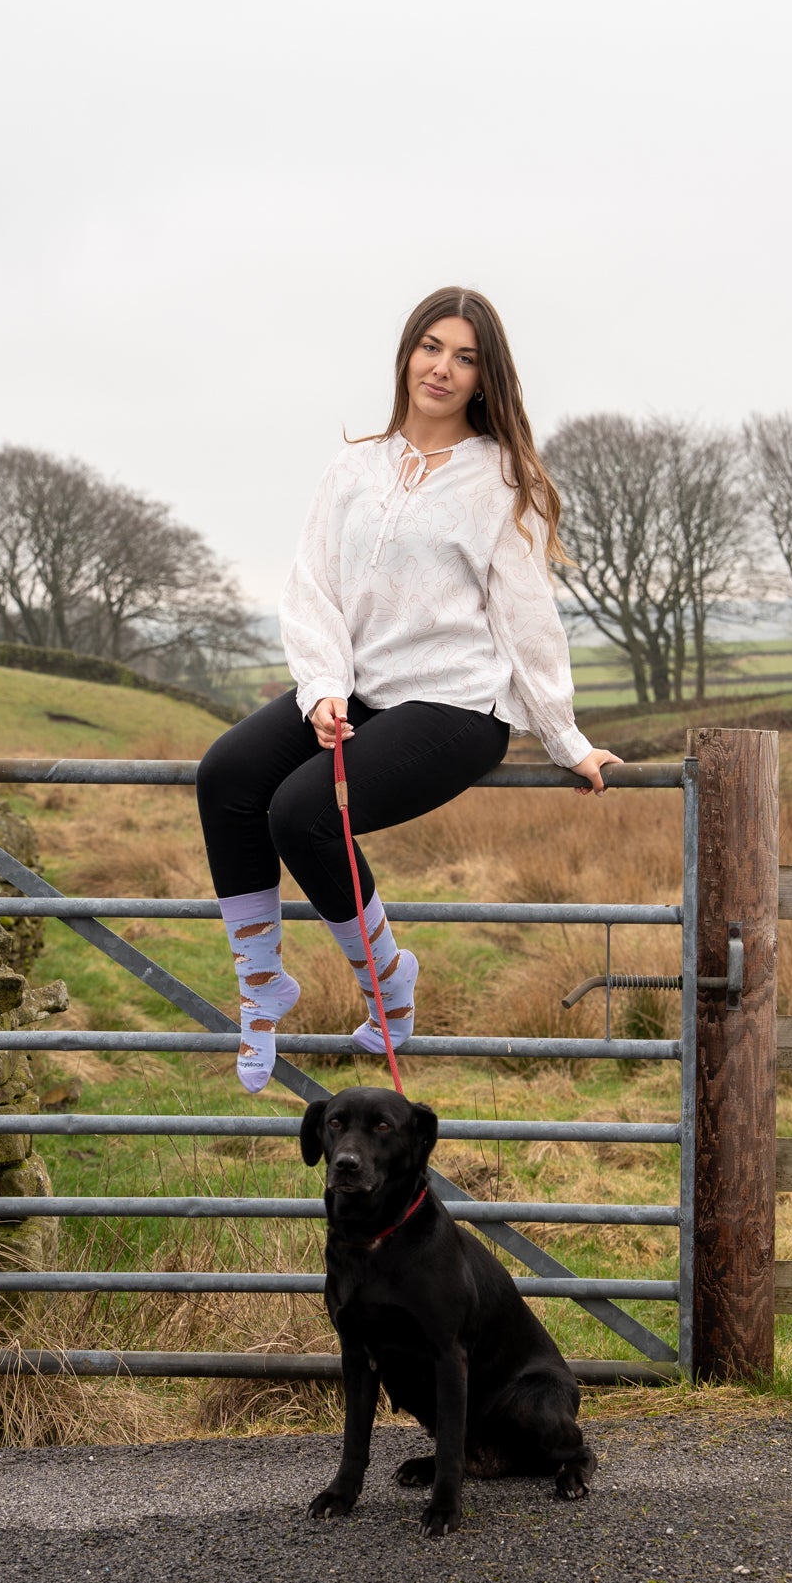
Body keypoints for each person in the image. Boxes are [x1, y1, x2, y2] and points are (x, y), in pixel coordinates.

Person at [196, 288, 621, 1092]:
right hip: (357, 690)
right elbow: (310, 586)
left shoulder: (502, 480)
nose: (442, 368)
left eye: (464, 357)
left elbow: (526, 618)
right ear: (406, 355)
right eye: (431, 347)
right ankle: (261, 984)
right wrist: (322, 686)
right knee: (227, 776)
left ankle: (388, 981)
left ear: (484, 378)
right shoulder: (352, 466)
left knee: (302, 811)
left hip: (456, 706)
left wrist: (565, 740)